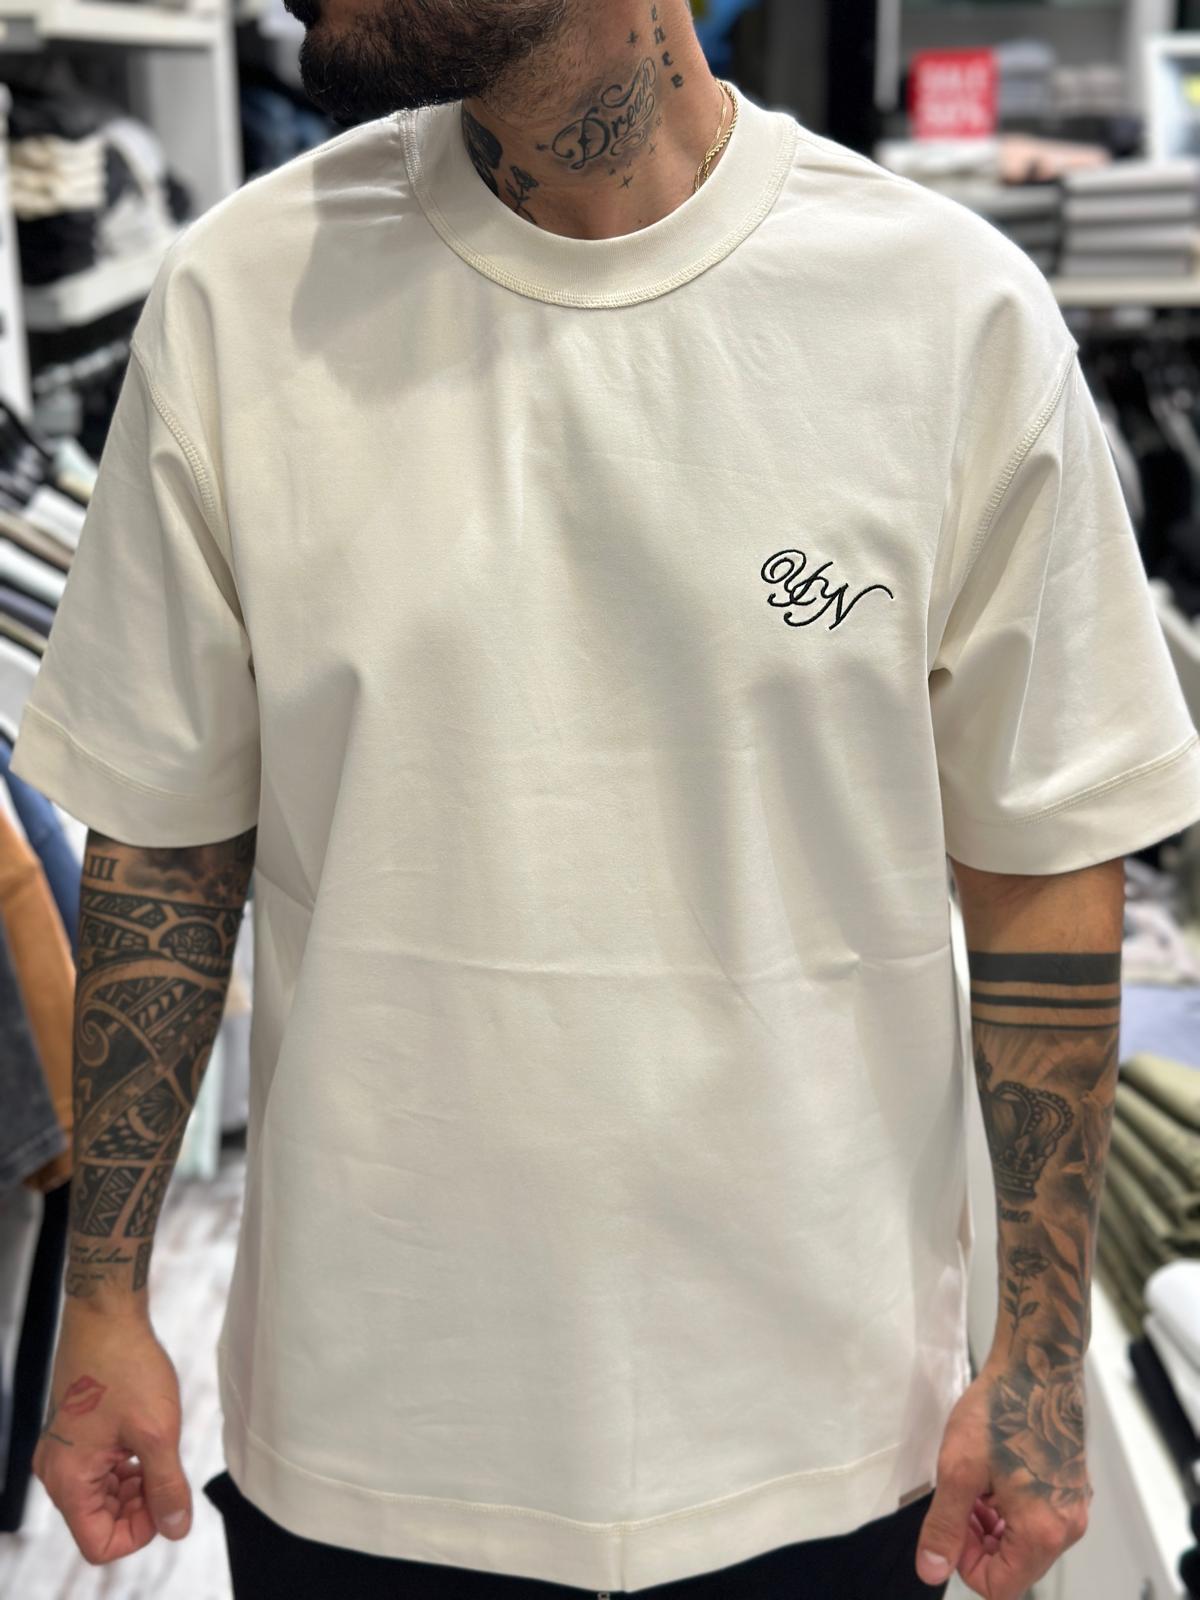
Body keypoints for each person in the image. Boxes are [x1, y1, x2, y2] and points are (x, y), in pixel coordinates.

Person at [13, 2, 1200, 1596]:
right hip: (373, 1432)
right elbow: (166, 834)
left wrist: (1042, 1355)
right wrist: (104, 1296)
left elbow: (1042, 859)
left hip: (825, 1432)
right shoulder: (247, 298)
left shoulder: (945, 316)